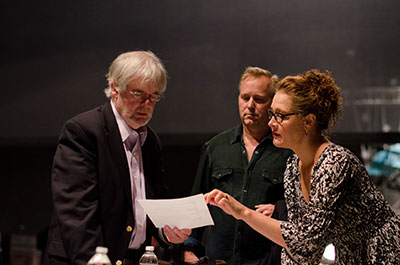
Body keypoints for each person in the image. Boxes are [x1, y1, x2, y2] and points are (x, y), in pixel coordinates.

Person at [204, 69, 400, 264]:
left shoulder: (335, 163)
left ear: (308, 121)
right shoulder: (292, 166)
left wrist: (242, 212)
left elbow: (306, 245)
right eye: (272, 114)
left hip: (386, 255)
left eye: (281, 115)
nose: (271, 122)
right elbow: (296, 248)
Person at [43, 51, 191, 265]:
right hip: (85, 259)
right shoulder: (84, 131)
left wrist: (164, 232)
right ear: (114, 88)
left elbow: (149, 206)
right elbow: (77, 212)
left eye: (154, 96)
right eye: (138, 94)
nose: (147, 104)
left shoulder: (151, 141)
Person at [184, 67, 292, 265]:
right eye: (245, 98)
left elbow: (301, 210)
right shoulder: (215, 147)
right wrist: (188, 249)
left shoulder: (288, 152)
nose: (250, 105)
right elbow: (196, 203)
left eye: (258, 99)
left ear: (272, 103)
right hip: (217, 260)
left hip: (266, 260)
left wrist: (278, 208)